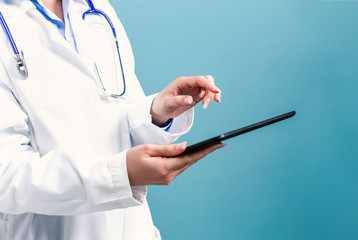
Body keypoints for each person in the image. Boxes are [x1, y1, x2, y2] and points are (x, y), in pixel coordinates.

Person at [0, 0, 224, 239]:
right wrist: (120, 175)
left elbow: (117, 112)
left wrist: (157, 112)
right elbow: (7, 177)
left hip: (133, 229)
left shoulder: (96, 7)